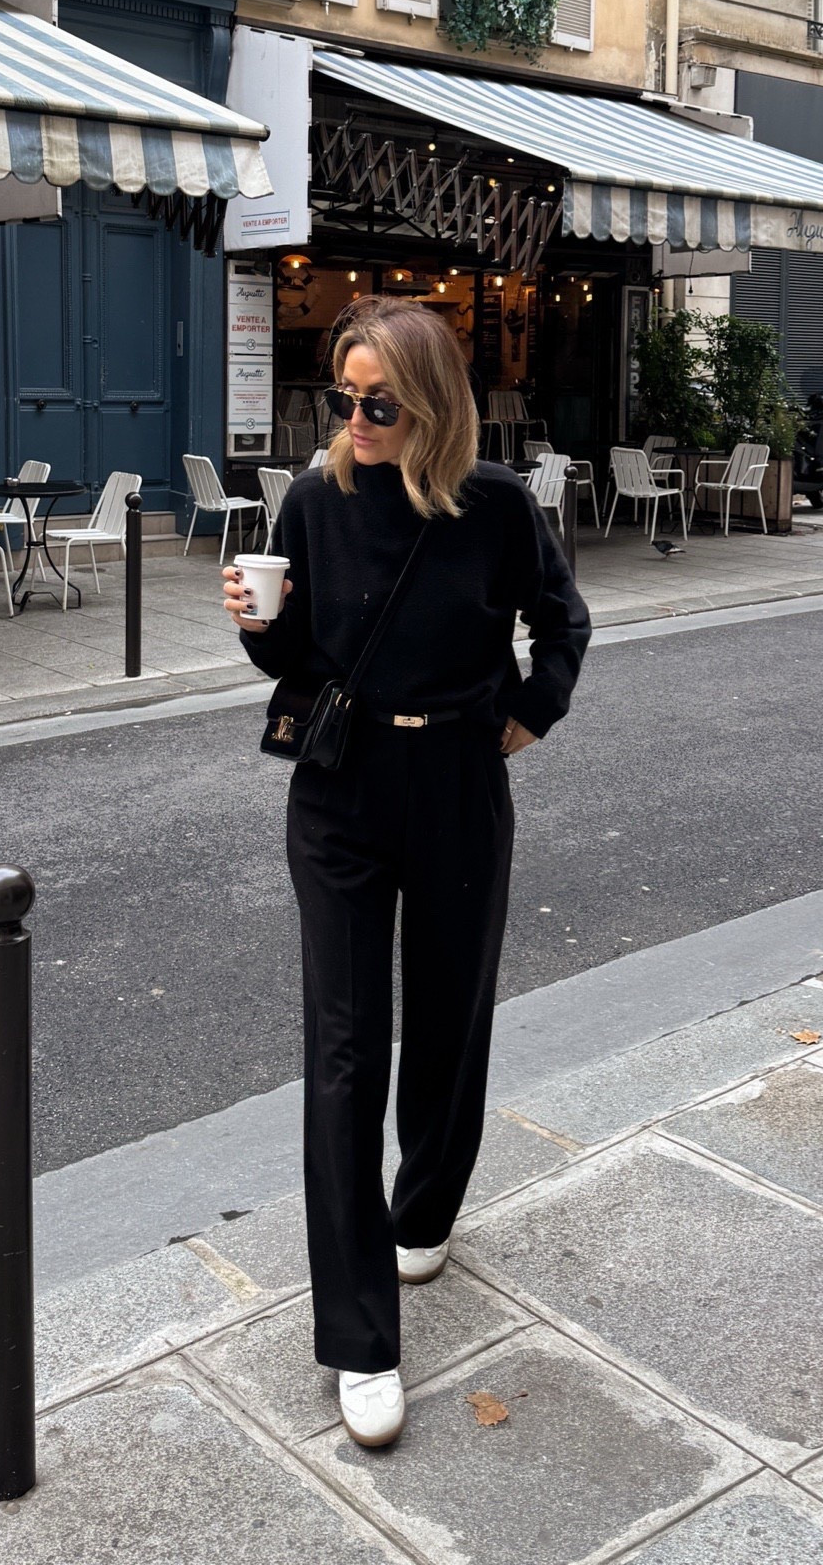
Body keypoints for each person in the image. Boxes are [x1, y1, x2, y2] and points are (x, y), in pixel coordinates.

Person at [222, 296, 589, 1450]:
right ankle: (359, 1339)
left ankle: (424, 1205)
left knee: (446, 1016)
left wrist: (529, 710)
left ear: (428, 402)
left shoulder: (493, 504)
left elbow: (560, 617)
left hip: (457, 784)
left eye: (378, 401)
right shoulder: (315, 497)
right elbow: (295, 650)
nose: (356, 418)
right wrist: (253, 622)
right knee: (341, 1046)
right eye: (342, 397)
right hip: (339, 785)